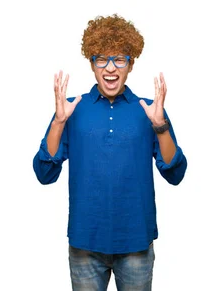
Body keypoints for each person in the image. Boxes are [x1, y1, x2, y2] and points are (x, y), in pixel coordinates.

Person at [33, 14, 187, 291]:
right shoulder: (71, 109)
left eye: (120, 59)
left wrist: (160, 127)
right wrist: (58, 122)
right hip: (85, 243)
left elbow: (175, 174)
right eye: (101, 59)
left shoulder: (150, 110)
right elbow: (44, 173)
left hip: (136, 242)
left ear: (131, 63)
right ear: (92, 63)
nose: (110, 67)